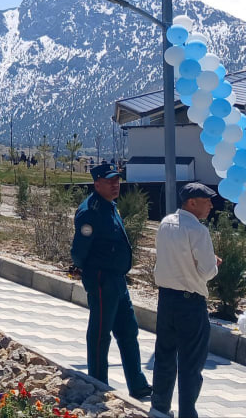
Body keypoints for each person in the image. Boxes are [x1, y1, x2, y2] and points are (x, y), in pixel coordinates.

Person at [71, 164, 151, 400]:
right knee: (100, 332)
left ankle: (137, 384)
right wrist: (90, 273)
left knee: (128, 330)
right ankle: (98, 382)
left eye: (117, 180)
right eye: (110, 181)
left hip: (117, 279)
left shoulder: (109, 206)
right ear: (97, 184)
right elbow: (79, 252)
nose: (116, 185)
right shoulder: (90, 212)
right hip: (102, 278)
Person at [151, 183, 220, 418]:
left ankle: (159, 406)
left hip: (166, 297)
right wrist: (214, 263)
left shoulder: (165, 223)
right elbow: (207, 271)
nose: (211, 205)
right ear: (192, 202)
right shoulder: (198, 230)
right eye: (206, 201)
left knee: (164, 354)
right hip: (190, 301)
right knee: (191, 361)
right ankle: (187, 412)